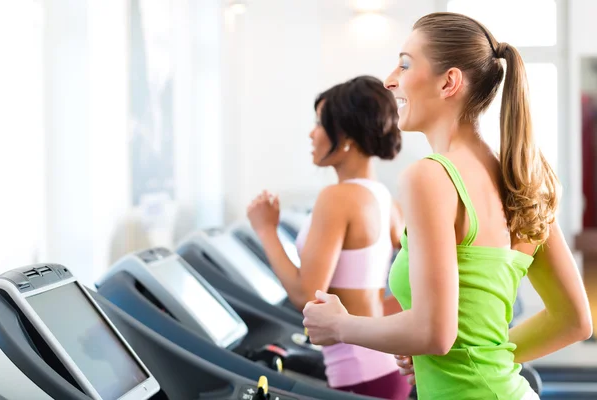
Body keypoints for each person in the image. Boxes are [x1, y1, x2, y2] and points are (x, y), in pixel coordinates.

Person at [302, 12, 593, 400]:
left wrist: (340, 325)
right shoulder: (522, 179)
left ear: (449, 81)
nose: (391, 80)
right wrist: (474, 355)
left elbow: (434, 334)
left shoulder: (431, 177)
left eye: (405, 64)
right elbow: (573, 321)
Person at [246, 75, 412, 399]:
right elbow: (412, 290)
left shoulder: (337, 198)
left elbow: (307, 295)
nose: (312, 133)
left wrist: (266, 230)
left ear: (346, 135)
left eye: (320, 123)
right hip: (385, 365)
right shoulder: (386, 200)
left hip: (360, 373)